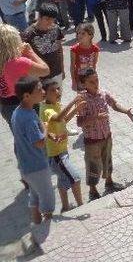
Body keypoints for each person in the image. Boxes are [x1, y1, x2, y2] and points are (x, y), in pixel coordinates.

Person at [75, 67, 133, 201]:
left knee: (107, 160)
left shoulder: (103, 93)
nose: (96, 84)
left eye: (97, 80)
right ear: (83, 84)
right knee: (93, 165)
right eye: (91, 82)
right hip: (92, 140)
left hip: (106, 136)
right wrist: (94, 117)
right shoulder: (82, 100)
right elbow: (79, 122)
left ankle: (109, 183)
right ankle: (93, 191)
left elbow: (114, 104)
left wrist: (126, 111)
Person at [12, 76, 55, 225]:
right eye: (39, 90)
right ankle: (49, 230)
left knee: (35, 195)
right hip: (37, 166)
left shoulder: (17, 112)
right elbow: (39, 142)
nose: (43, 92)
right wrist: (46, 127)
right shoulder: (29, 117)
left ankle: (37, 225)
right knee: (47, 197)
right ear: (27, 96)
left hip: (25, 167)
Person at [40, 80, 84, 212]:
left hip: (61, 151)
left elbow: (63, 120)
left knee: (63, 179)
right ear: (44, 95)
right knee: (75, 178)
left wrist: (76, 109)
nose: (57, 92)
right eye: (53, 91)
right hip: (56, 155)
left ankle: (65, 207)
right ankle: (81, 206)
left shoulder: (55, 104)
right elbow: (58, 118)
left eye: (58, 89)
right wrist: (73, 101)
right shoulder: (46, 109)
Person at [0, 25, 50, 127]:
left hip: (5, 105)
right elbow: (45, 70)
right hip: (27, 103)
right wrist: (31, 52)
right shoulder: (20, 62)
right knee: (36, 136)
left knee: (21, 137)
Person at [22, 3, 64, 85]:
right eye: (47, 19)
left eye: (53, 19)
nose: (50, 22)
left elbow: (59, 49)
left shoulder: (56, 28)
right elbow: (26, 58)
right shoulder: (28, 34)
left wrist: (62, 69)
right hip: (40, 76)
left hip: (57, 71)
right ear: (39, 16)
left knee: (57, 96)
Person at [69, 23, 99, 92]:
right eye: (78, 33)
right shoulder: (74, 49)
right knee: (82, 98)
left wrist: (94, 78)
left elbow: (94, 64)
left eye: (83, 33)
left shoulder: (95, 49)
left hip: (90, 77)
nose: (79, 35)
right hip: (80, 78)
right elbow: (72, 66)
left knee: (93, 95)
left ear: (90, 35)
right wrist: (73, 81)